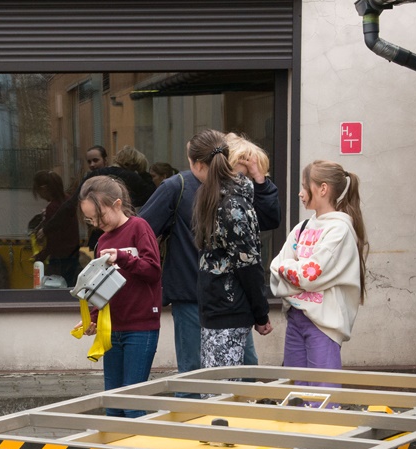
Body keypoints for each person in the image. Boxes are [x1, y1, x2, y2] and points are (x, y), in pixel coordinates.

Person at [141, 131, 279, 373]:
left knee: (242, 371)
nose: (238, 177)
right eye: (239, 170)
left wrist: (260, 180)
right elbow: (143, 231)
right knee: (197, 373)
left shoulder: (235, 196)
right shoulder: (181, 187)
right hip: (192, 294)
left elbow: (266, 223)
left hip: (230, 302)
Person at [269, 160, 367, 376]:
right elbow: (276, 268)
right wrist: (296, 274)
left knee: (322, 395)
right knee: (295, 391)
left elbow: (308, 275)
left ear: (323, 189)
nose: (300, 193)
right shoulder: (302, 227)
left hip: (323, 326)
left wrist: (293, 274)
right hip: (296, 318)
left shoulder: (339, 230)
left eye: (305, 186)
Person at [77, 176, 162, 416]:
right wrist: (92, 316)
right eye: (90, 219)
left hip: (141, 327)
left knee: (132, 402)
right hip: (111, 327)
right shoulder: (102, 240)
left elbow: (154, 271)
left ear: (116, 204)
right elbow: (100, 284)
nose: (96, 223)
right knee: (112, 403)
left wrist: (123, 257)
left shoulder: (139, 227)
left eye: (100, 216)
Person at [188, 131, 272, 368]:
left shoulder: (230, 202)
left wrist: (261, 313)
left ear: (198, 165)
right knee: (217, 388)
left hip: (228, 308)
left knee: (219, 391)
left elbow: (248, 263)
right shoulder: (213, 195)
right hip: (217, 306)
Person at [30, 170, 81, 286]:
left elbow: (54, 241)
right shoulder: (67, 201)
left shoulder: (53, 208)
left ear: (44, 189)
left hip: (60, 260)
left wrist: (40, 256)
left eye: (38, 191)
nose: (40, 196)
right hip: (73, 255)